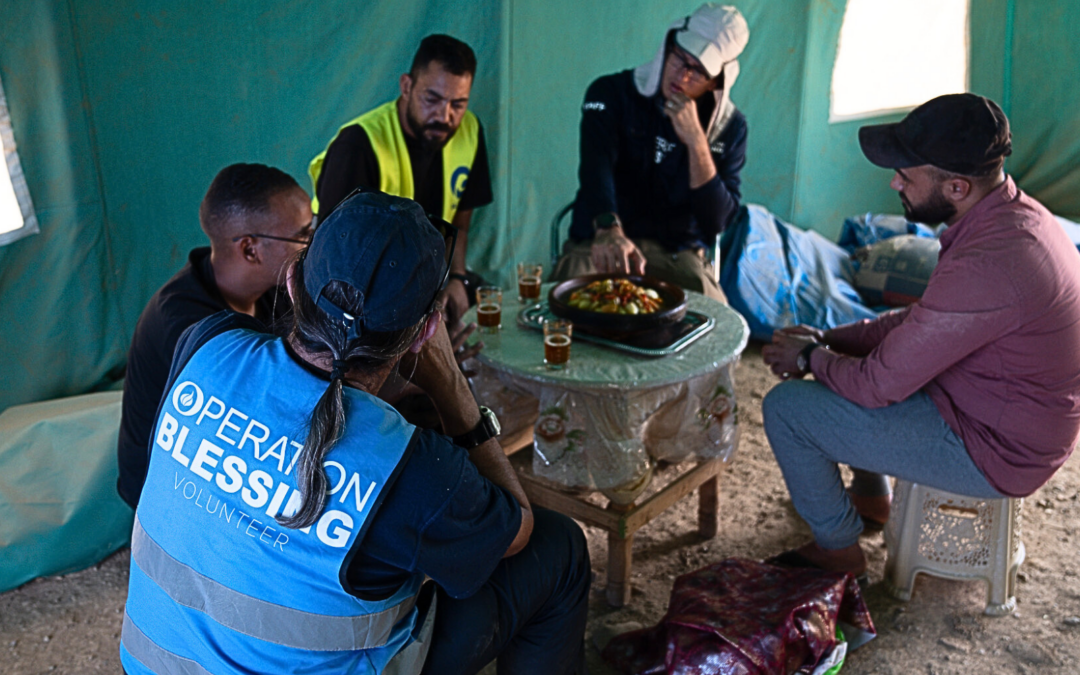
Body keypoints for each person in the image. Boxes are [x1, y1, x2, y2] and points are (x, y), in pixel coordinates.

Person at [119, 191, 591, 675]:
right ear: (427, 331)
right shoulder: (408, 464)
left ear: (291, 282)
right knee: (557, 546)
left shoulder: (207, 344)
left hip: (150, 664)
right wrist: (450, 386)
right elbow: (516, 529)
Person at [760, 94, 1080, 578]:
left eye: (906, 175)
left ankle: (839, 551)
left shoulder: (990, 264)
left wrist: (809, 359)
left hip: (995, 448)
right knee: (856, 363)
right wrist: (831, 338)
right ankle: (871, 497)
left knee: (787, 409)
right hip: (999, 409)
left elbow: (876, 386)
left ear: (955, 186)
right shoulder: (1008, 216)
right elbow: (921, 322)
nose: (894, 182)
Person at [116, 163, 312, 509]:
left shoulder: (271, 287)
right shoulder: (187, 325)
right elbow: (274, 415)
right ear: (251, 250)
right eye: (303, 235)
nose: (312, 244)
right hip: (169, 492)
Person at [551, 3, 749, 302]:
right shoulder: (608, 94)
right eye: (679, 57)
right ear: (668, 44)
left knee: (716, 327)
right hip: (602, 244)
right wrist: (608, 229)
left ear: (717, 81)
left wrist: (696, 142)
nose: (681, 76)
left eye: (697, 71)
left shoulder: (731, 129)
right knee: (564, 312)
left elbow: (715, 222)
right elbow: (596, 168)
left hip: (678, 256)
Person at [309, 34, 493, 329]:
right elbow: (333, 261)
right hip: (361, 299)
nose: (444, 116)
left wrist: (457, 278)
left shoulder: (469, 130)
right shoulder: (359, 145)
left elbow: (460, 220)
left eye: (458, 104)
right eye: (432, 99)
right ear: (406, 86)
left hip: (425, 276)